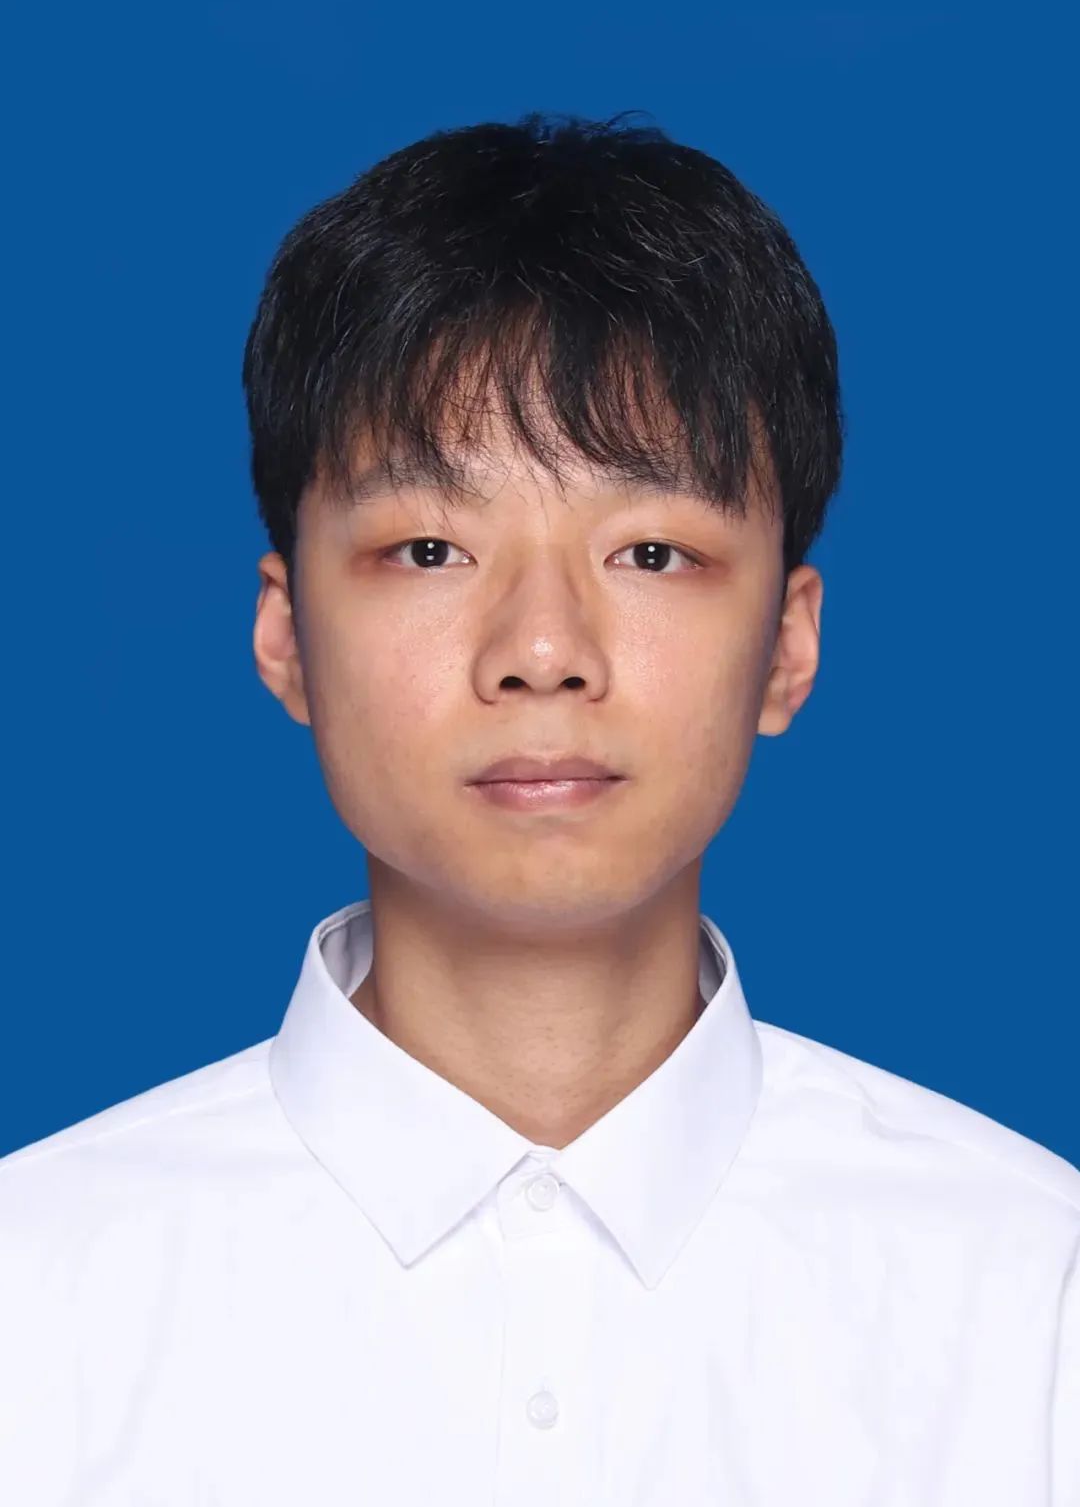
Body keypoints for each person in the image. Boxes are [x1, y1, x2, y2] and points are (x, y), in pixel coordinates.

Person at [1, 112, 1076, 1505]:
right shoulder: (36, 1298)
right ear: (285, 636)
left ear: (789, 644)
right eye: (429, 546)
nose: (545, 648)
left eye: (652, 551)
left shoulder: (1033, 1296)